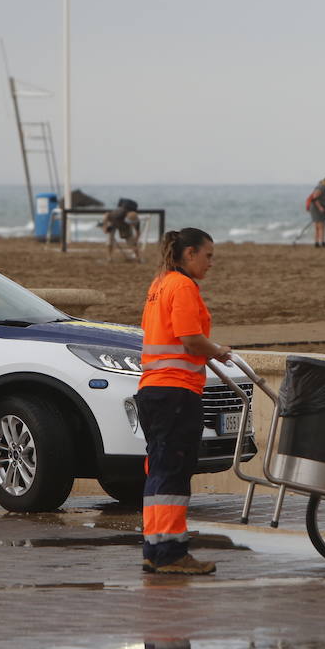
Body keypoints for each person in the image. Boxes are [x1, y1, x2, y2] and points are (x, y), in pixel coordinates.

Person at [136, 228, 232, 575]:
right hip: (176, 391)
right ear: (189, 253)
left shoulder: (159, 284)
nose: (211, 263)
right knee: (173, 471)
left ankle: (156, 547)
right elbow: (191, 339)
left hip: (154, 390)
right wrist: (218, 350)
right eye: (208, 255)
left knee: (159, 470)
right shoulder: (183, 287)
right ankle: (171, 553)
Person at [102, 198, 142, 263]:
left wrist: (135, 242)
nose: (132, 226)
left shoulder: (136, 219)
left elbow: (138, 232)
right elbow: (106, 215)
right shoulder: (118, 213)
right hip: (114, 222)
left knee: (131, 241)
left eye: (133, 224)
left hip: (125, 226)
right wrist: (105, 227)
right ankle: (109, 257)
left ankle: (138, 258)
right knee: (110, 240)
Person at [305, 175, 325, 247]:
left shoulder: (322, 187)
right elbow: (314, 198)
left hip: (318, 208)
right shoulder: (321, 187)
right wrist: (320, 208)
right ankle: (321, 242)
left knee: (319, 226)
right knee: (320, 226)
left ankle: (318, 242)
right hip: (316, 209)